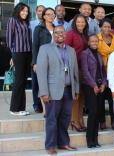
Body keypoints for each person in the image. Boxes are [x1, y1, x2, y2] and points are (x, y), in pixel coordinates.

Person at [37, 25, 79, 155]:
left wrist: (76, 89)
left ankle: (63, 143)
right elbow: (41, 72)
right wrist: (44, 92)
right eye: (56, 32)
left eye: (62, 32)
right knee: (52, 119)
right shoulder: (45, 49)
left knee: (65, 118)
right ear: (53, 35)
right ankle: (50, 145)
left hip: (68, 90)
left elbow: (75, 72)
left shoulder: (71, 50)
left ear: (65, 35)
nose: (59, 34)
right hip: (52, 91)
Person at [81, 35, 106, 148]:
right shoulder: (85, 54)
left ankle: (95, 139)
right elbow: (85, 72)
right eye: (92, 41)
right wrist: (94, 85)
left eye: (96, 41)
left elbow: (102, 71)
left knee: (98, 113)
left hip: (100, 86)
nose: (94, 42)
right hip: (90, 86)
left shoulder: (99, 54)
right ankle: (89, 140)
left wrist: (104, 83)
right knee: (92, 112)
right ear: (89, 42)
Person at [7, 3, 32, 116]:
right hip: (18, 53)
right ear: (18, 10)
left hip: (27, 53)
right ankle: (14, 109)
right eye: (23, 11)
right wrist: (12, 55)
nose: (25, 13)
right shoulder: (13, 20)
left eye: (27, 11)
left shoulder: (25, 22)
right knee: (18, 81)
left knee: (23, 81)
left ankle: (21, 108)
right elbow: (9, 38)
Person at [66, 14, 89, 132]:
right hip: (74, 68)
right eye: (78, 22)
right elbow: (65, 50)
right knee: (76, 95)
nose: (81, 24)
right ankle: (74, 120)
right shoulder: (71, 34)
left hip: (83, 69)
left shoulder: (84, 35)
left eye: (83, 22)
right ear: (75, 23)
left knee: (82, 97)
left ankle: (80, 119)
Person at [32, 7, 55, 113]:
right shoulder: (39, 28)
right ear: (44, 16)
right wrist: (35, 63)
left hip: (54, 61)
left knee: (51, 84)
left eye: (52, 14)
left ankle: (50, 107)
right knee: (42, 84)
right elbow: (35, 46)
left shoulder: (56, 28)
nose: (51, 16)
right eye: (48, 14)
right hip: (42, 60)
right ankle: (45, 110)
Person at [98, 18, 114, 129]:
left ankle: (113, 121)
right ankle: (101, 121)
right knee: (100, 99)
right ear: (101, 27)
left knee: (113, 98)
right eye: (104, 26)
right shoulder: (97, 38)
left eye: (108, 27)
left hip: (113, 72)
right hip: (100, 71)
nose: (107, 28)